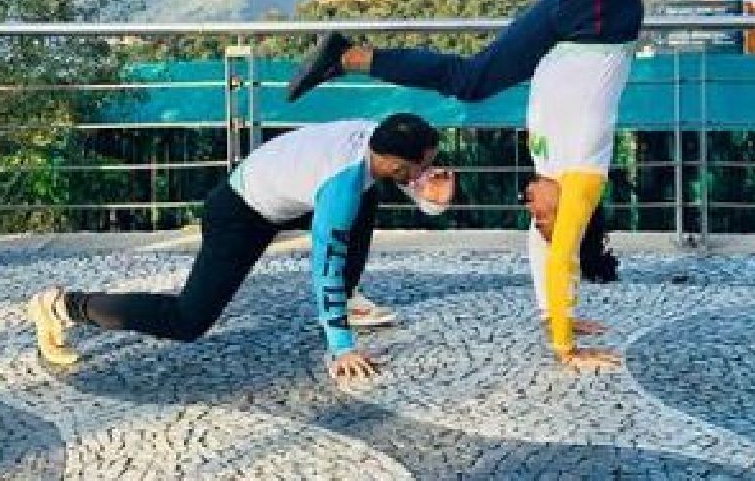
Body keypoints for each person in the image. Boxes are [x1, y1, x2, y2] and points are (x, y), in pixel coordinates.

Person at [287, 0, 755, 365]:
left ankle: (349, 57)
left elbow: (547, 252)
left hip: (561, 28)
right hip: (599, 20)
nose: (530, 210)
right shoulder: (581, 176)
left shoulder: (549, 174)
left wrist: (552, 311)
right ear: (568, 212)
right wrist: (566, 348)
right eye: (542, 217)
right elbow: (562, 247)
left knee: (470, 81)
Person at [28, 114, 452, 379]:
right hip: (239, 214)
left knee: (368, 195)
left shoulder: (376, 136)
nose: (428, 171)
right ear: (397, 162)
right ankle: (65, 305)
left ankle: (349, 299)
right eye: (424, 166)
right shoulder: (341, 186)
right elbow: (326, 262)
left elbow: (405, 183)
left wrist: (432, 202)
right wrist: (340, 346)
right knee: (187, 319)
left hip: (276, 193)